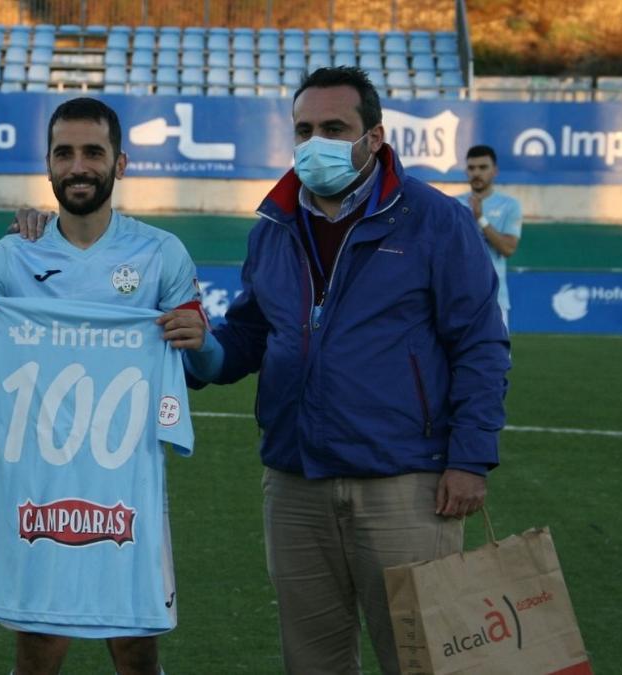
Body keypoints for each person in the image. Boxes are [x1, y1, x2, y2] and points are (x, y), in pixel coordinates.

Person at [184, 67, 511, 674]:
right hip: (294, 480)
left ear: (375, 137)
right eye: (304, 129)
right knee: (313, 663)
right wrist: (203, 352)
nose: (316, 142)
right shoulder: (275, 227)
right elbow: (253, 333)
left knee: (422, 660)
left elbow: (480, 344)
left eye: (335, 127)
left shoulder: (436, 220)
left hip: (405, 483)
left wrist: (469, 458)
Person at [0, 97, 205, 675]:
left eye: (93, 153)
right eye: (64, 153)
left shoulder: (159, 255)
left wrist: (200, 336)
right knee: (38, 654)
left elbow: (204, 364)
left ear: (120, 164)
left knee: (136, 652)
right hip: (37, 489)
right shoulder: (14, 254)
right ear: (49, 166)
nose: (78, 166)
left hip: (127, 493)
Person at [456, 145, 522, 329]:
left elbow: (508, 248)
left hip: (495, 299)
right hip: (458, 299)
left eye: (483, 167)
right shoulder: (452, 205)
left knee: (496, 357)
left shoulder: (510, 205)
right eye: (471, 168)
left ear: (495, 171)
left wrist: (480, 218)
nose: (476, 173)